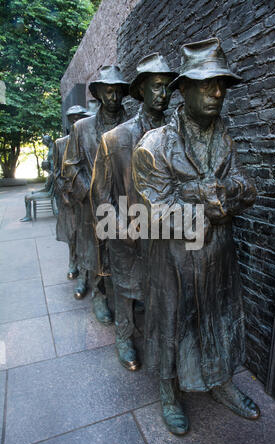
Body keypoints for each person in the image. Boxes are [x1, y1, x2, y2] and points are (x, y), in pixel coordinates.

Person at [132, 38, 260, 435]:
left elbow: (247, 187)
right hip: (172, 260)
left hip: (218, 255)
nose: (217, 92)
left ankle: (220, 382)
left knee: (219, 320)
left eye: (220, 83)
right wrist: (204, 206)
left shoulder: (225, 138)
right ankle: (169, 392)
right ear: (183, 89)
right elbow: (155, 214)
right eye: (206, 84)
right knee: (172, 326)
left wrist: (228, 194)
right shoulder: (153, 147)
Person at [91, 53, 177, 370]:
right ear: (141, 90)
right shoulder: (114, 139)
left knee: (163, 294)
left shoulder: (177, 135)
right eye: (156, 86)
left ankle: (163, 344)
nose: (163, 94)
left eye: (168, 87)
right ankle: (124, 336)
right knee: (126, 291)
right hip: (127, 232)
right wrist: (119, 229)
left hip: (166, 233)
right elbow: (100, 194)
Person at [63, 66, 129, 323]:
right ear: (99, 93)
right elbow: (69, 166)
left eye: (118, 92)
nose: (113, 97)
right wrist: (90, 193)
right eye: (108, 91)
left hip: (125, 202)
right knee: (97, 253)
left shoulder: (133, 124)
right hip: (93, 206)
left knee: (125, 248)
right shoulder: (82, 128)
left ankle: (128, 295)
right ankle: (99, 296)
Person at [53, 105, 87, 280]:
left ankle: (86, 270)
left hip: (86, 199)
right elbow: (57, 173)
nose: (76, 121)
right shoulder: (60, 144)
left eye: (79, 117)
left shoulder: (88, 140)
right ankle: (73, 262)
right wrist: (65, 195)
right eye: (73, 118)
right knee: (72, 233)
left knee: (86, 235)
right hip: (69, 199)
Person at [20, 135, 54, 222]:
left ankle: (28, 216)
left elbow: (47, 190)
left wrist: (36, 192)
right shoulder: (51, 174)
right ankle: (28, 216)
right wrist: (35, 192)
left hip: (49, 192)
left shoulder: (51, 175)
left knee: (27, 197)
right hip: (49, 189)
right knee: (29, 194)